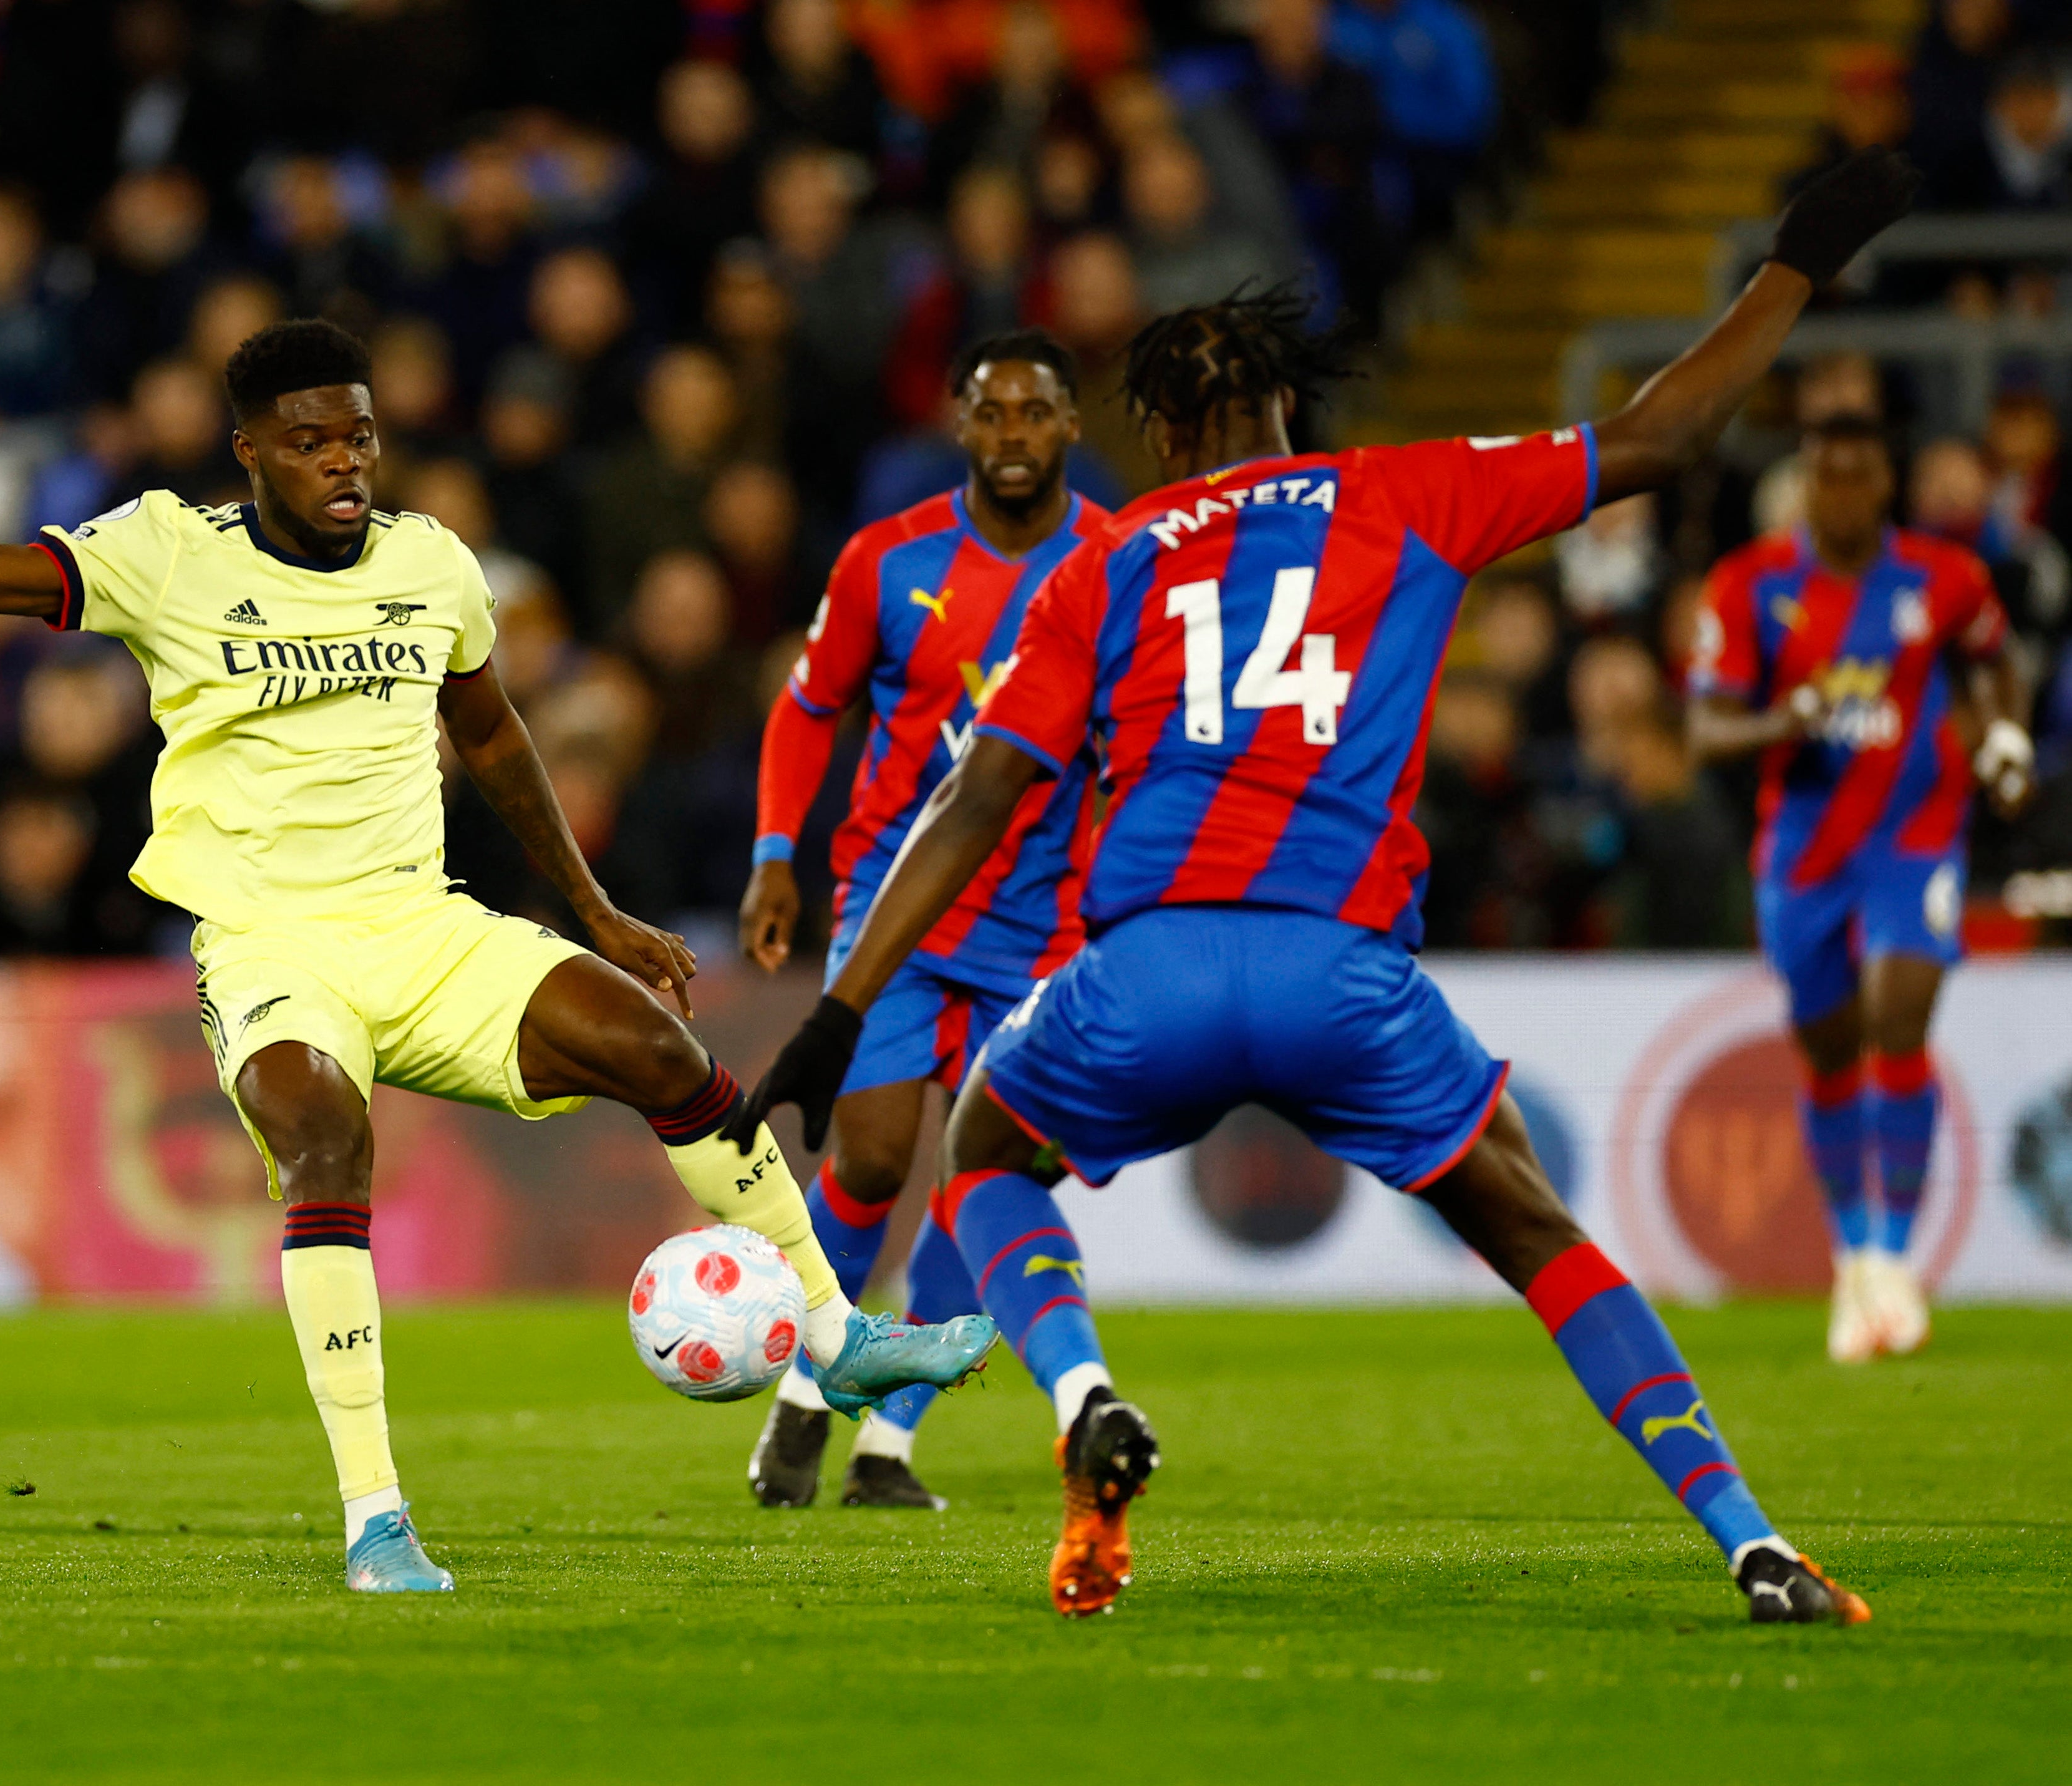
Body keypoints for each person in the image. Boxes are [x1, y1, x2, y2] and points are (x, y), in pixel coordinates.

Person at [732, 151, 1927, 1624]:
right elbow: (1663, 436)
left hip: (1148, 970)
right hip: (1338, 976)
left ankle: (1085, 1397)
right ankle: (1751, 1542)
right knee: (1537, 1234)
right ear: (1290, 403)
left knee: (981, 1147)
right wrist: (1793, 263)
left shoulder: (1098, 567)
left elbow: (974, 797)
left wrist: (838, 1014)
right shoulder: (1408, 494)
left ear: (1163, 429)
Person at [0, 318, 997, 1596]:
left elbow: (492, 741)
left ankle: (838, 1333)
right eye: (312, 440)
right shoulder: (166, 551)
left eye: (361, 437)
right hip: (270, 943)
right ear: (252, 453)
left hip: (420, 925)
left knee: (662, 1051)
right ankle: (375, 1518)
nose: (345, 461)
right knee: (327, 1145)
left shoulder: (433, 565)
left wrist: (591, 909)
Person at [737, 328, 1113, 1513]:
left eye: (1035, 413)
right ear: (958, 424)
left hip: (1042, 922)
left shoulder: (1117, 560)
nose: (1012, 436)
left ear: (1069, 426)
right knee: (873, 1154)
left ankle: (885, 1444)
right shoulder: (884, 561)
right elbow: (808, 708)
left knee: (989, 1168)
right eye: (990, 414)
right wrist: (772, 852)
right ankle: (806, 1395)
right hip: (891, 904)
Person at [1687, 414, 2035, 1364]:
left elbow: (1995, 659)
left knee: (1900, 1014)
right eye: (1826, 478)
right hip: (1803, 851)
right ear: (1808, 487)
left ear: (1883, 483)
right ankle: (1853, 1257)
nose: (1842, 494)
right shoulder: (1751, 585)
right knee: (1830, 1051)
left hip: (1914, 836)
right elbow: (1705, 731)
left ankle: (1891, 1258)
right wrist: (1778, 725)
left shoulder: (1944, 577)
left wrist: (2003, 739)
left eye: (1859, 476)